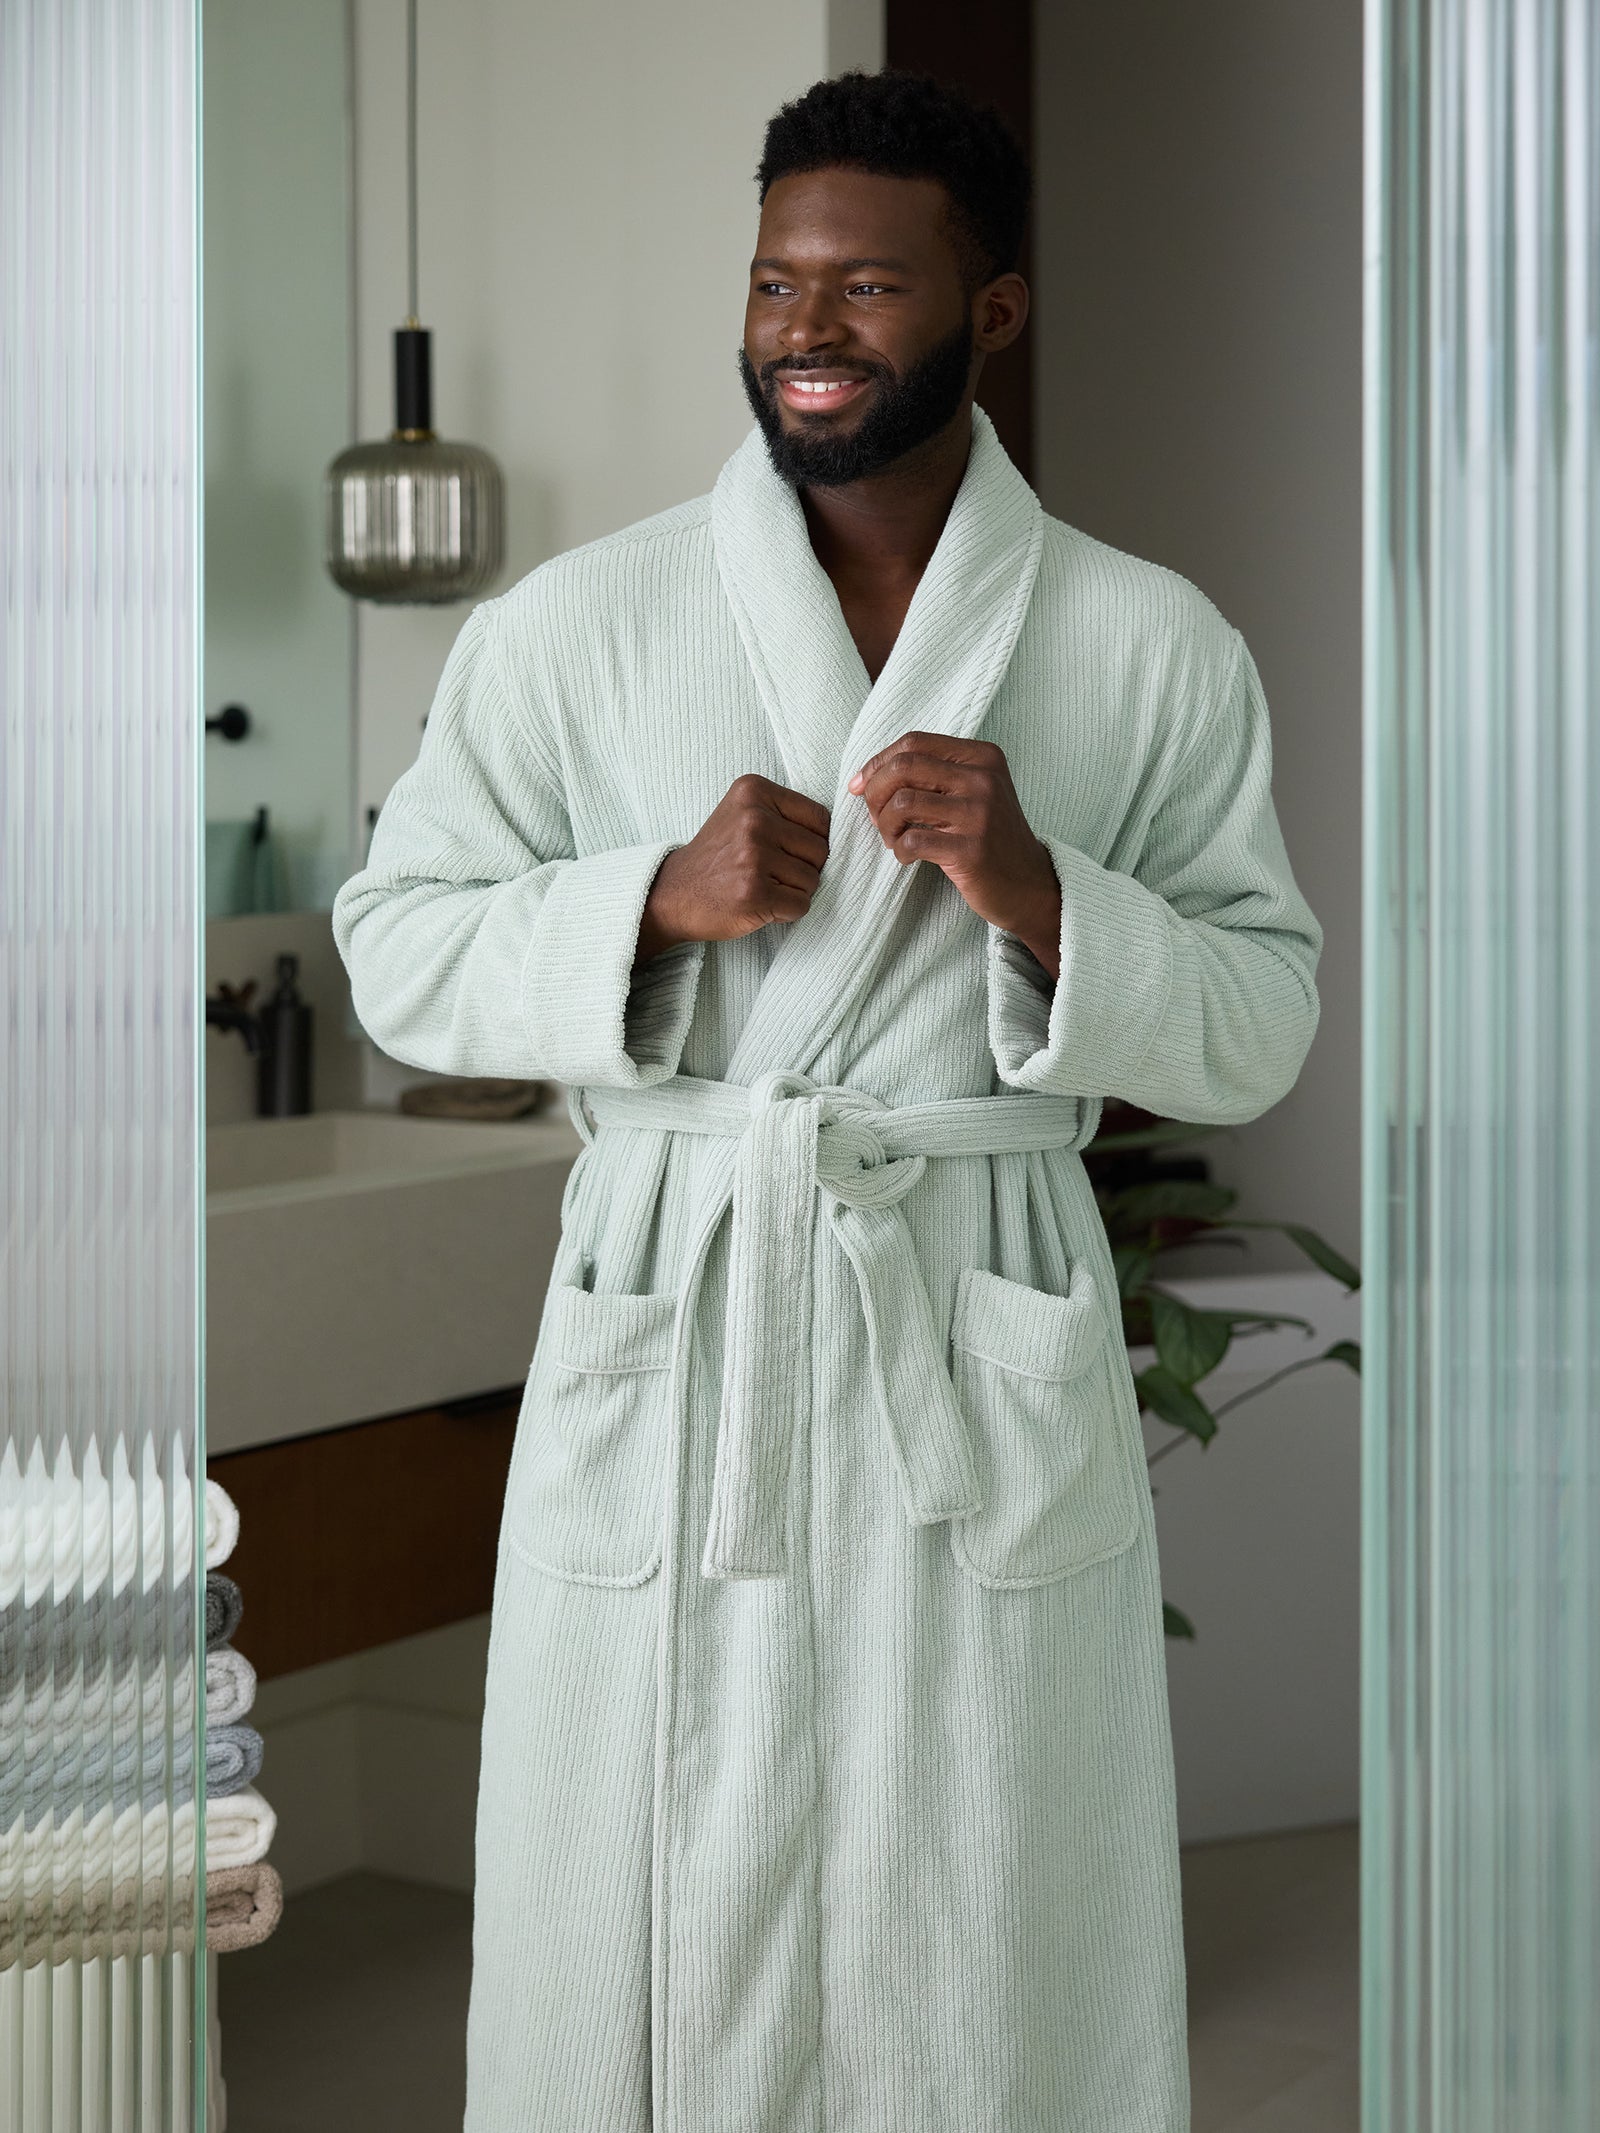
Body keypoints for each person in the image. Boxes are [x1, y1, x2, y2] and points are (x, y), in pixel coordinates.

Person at [332, 66, 1322, 2133]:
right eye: (778, 277)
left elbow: (1252, 1022)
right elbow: (397, 948)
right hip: (680, 1296)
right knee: (637, 1877)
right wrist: (648, 904)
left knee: (971, 1875)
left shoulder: (1145, 644)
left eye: (867, 284)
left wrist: (1045, 893)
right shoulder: (576, 625)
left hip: (965, 1308)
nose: (804, 325)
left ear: (995, 309)